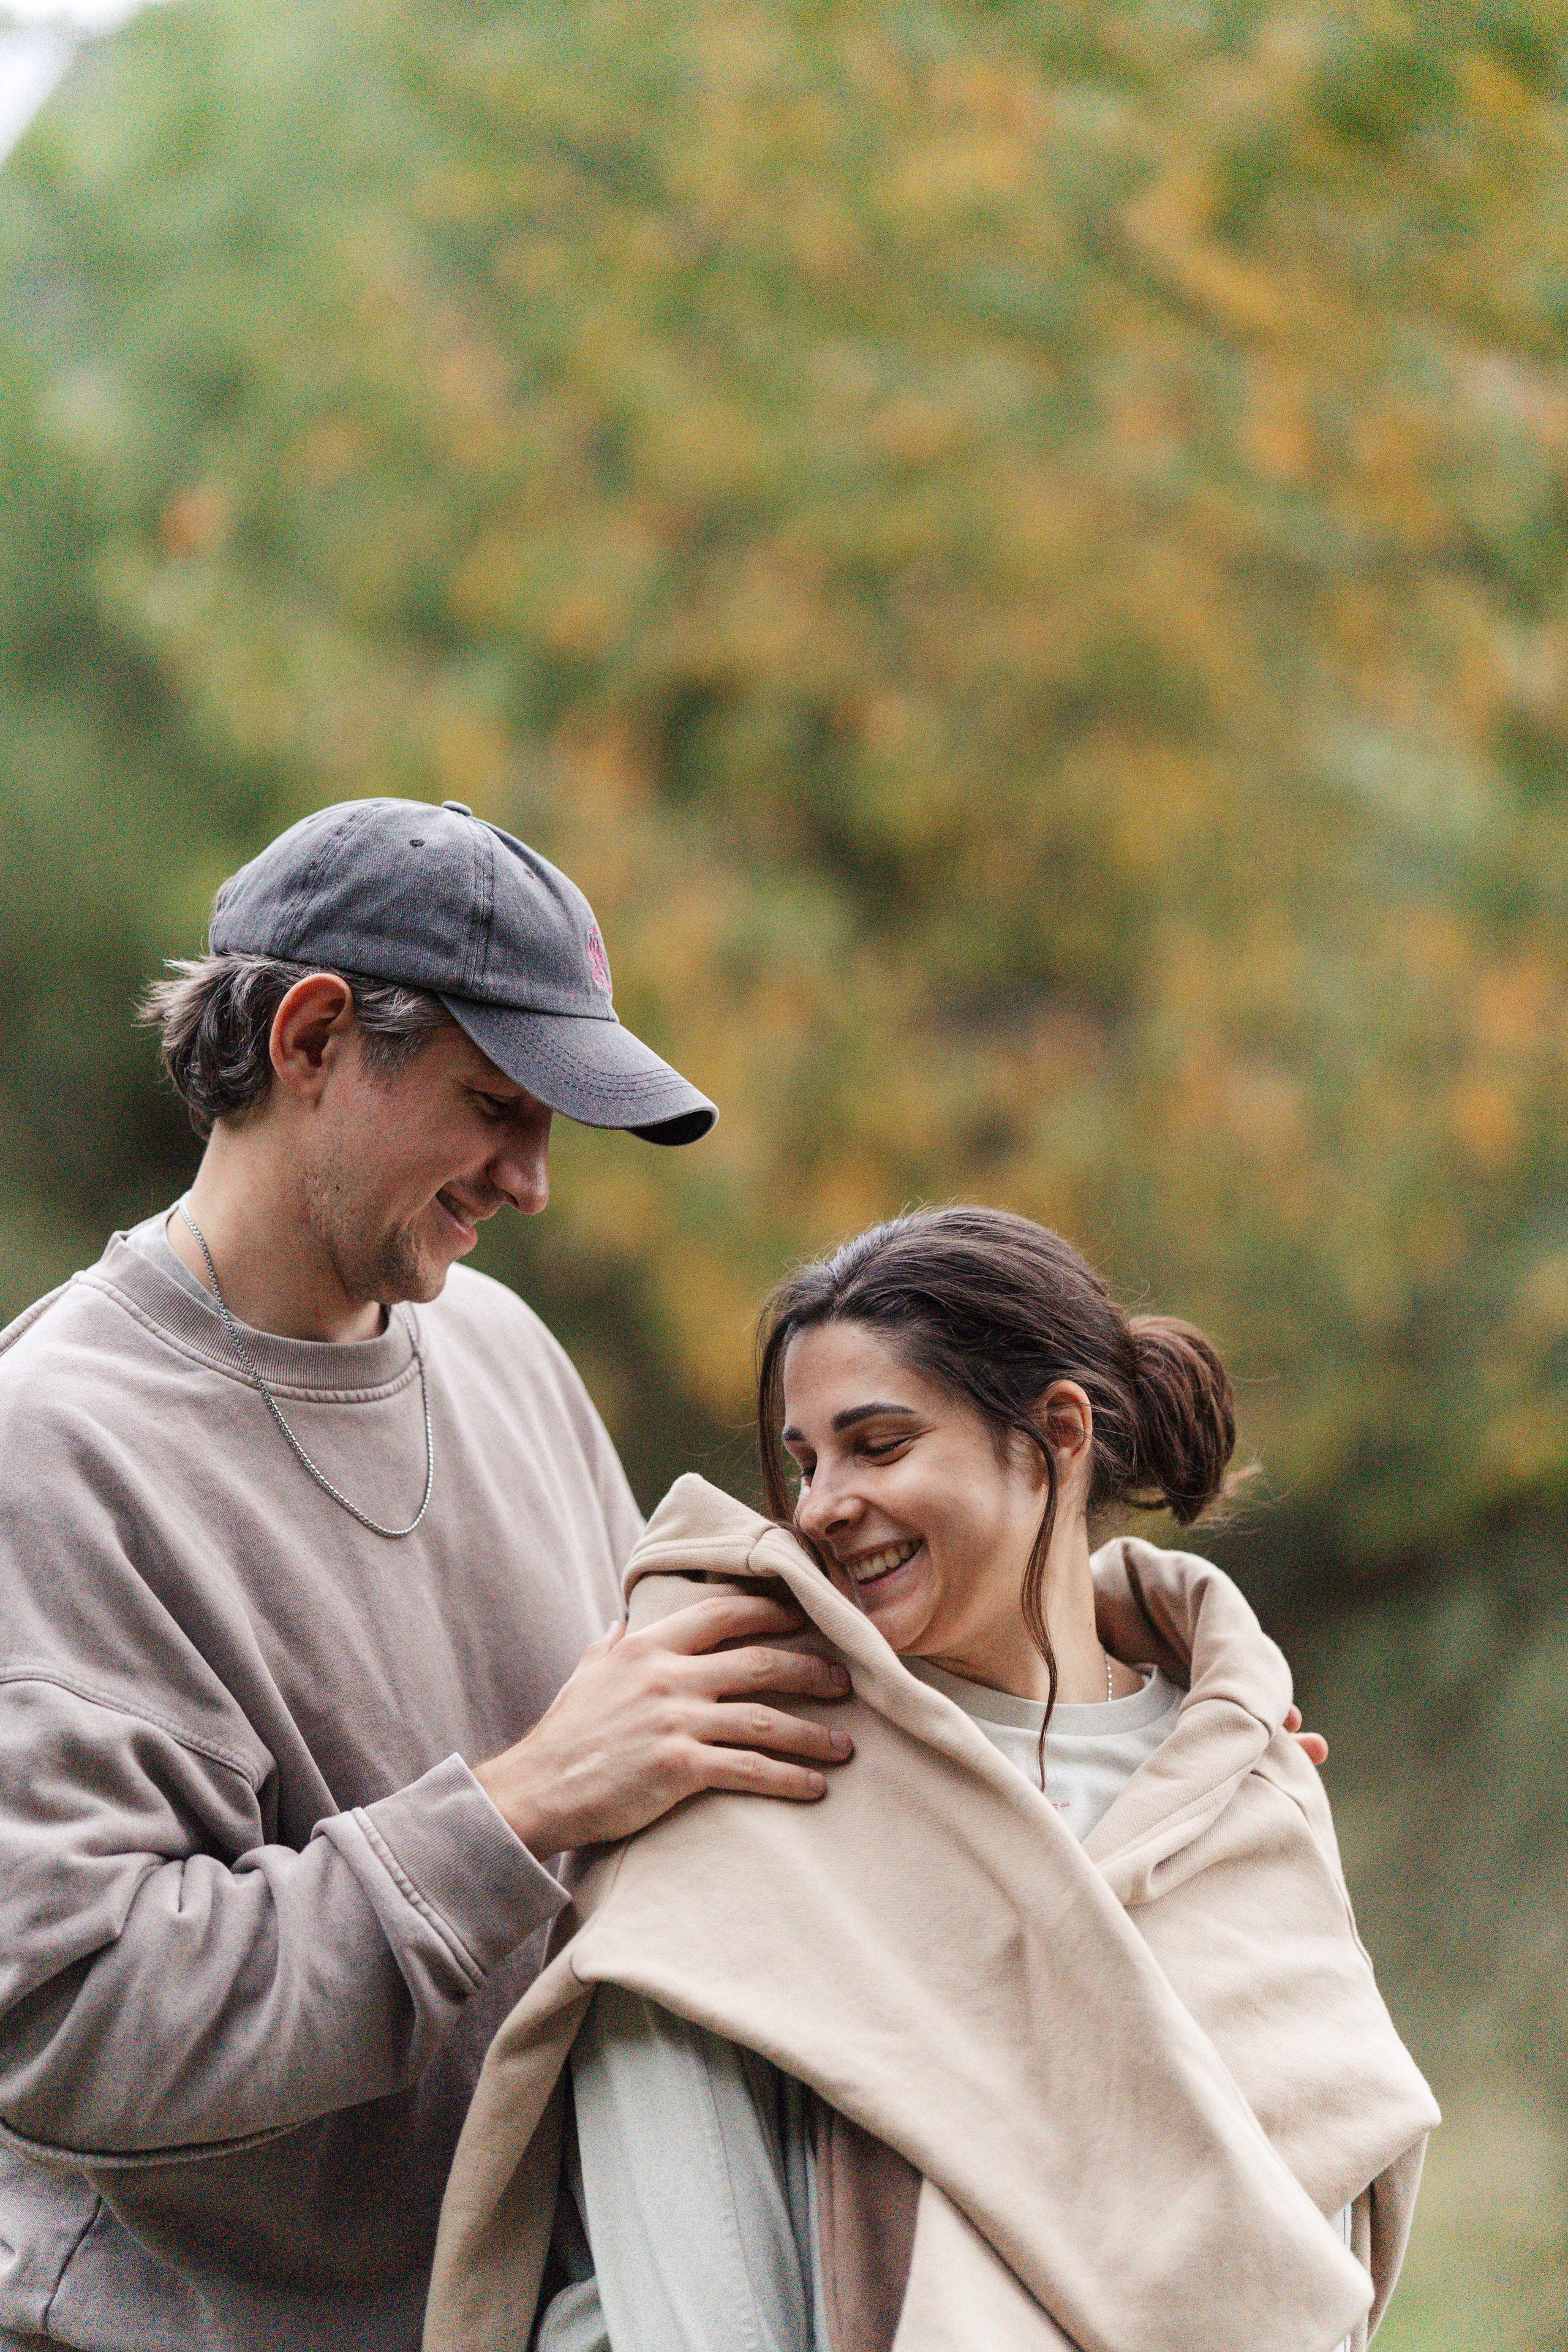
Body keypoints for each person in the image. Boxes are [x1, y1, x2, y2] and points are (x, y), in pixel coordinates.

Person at [0, 797, 858, 2352]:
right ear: (313, 1040)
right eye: (496, 1105)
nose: (533, 1180)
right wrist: (518, 1809)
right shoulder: (55, 1453)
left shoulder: (500, 1351)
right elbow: (71, 2024)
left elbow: (680, 1774)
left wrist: (1106, 1749)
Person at [426, 1207, 1439, 2352]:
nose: (818, 1507)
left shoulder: (1244, 1790)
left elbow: (1319, 2242)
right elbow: (689, 2295)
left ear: (1055, 1434)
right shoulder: (749, 1781)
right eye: (807, 1461)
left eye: (880, 1443)